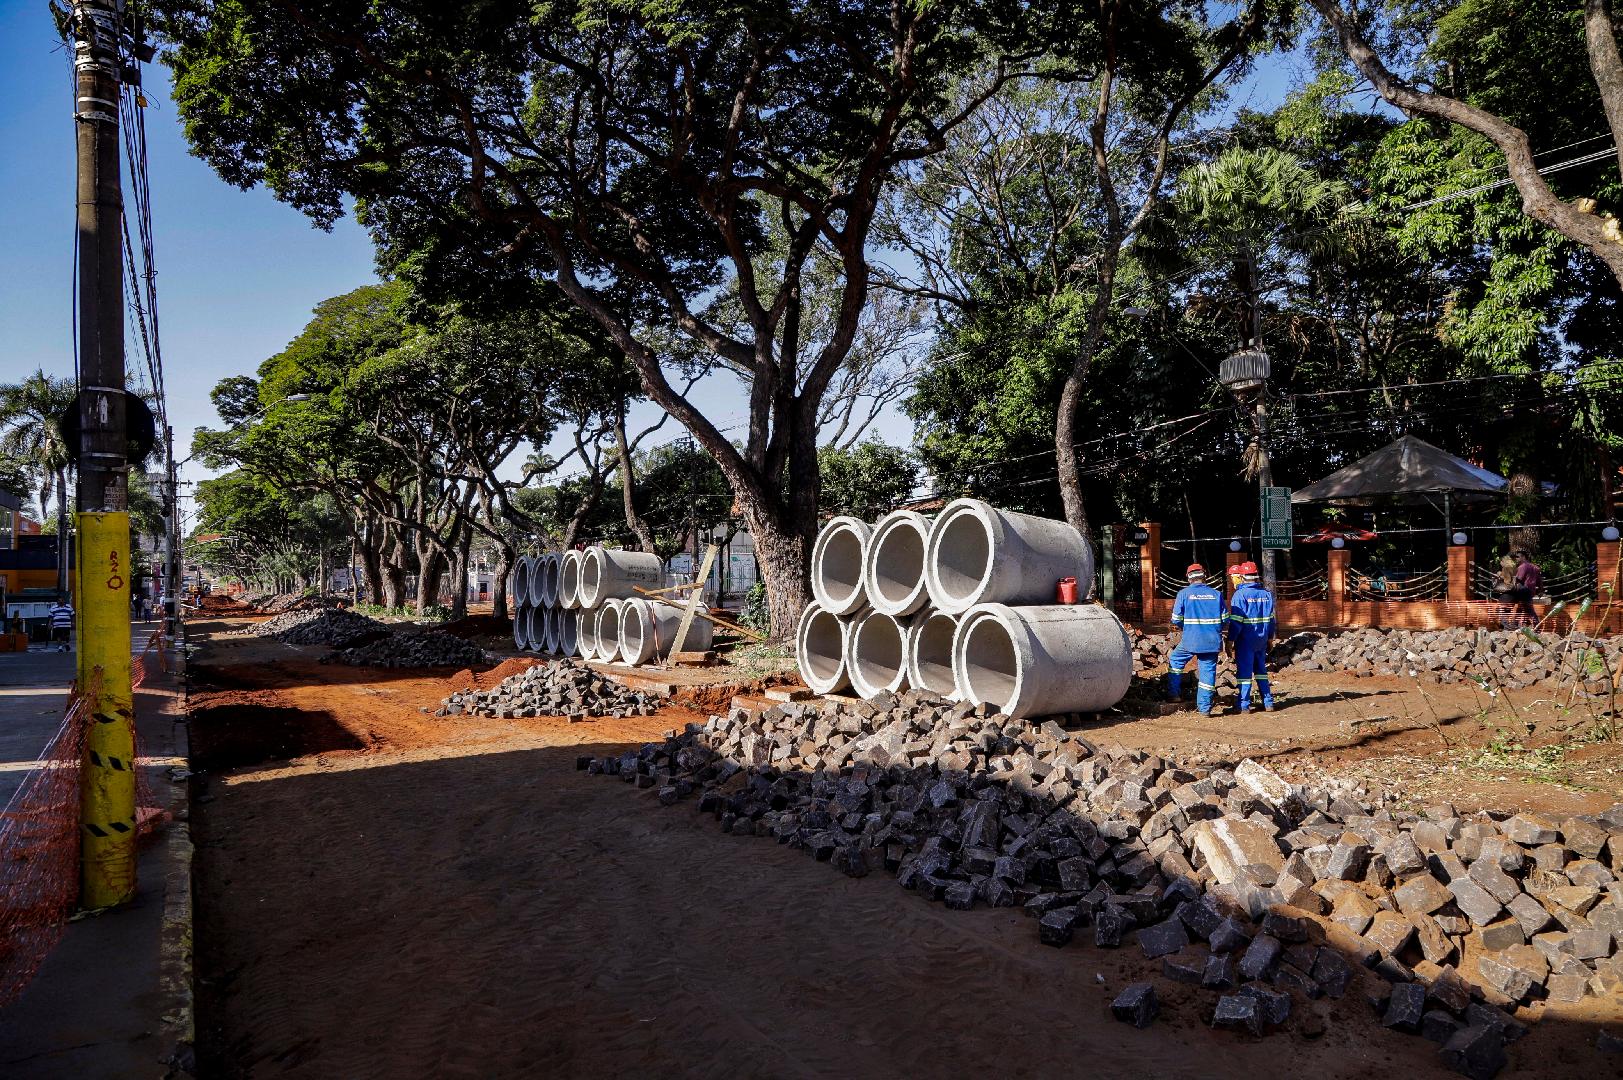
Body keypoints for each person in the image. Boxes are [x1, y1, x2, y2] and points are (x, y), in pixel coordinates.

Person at [1167, 563, 1226, 715]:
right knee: (1207, 673)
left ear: (1188, 578)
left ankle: (1174, 695)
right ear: (1204, 576)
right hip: (1212, 641)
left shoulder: (1183, 594)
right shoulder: (1217, 594)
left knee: (1175, 660)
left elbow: (1176, 619)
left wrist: (1186, 627)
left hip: (1190, 639)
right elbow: (1225, 619)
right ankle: (1205, 709)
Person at [1226, 562, 1276, 713]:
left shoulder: (1240, 595)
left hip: (1245, 641)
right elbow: (1271, 620)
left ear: (1242, 577)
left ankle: (1243, 705)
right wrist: (1270, 639)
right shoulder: (1267, 595)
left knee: (1244, 674)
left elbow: (1236, 622)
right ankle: (1268, 703)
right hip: (1261, 640)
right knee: (1261, 671)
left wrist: (1230, 640)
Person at [1513, 551, 1542, 623]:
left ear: (1523, 557)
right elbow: (1539, 581)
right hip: (1531, 591)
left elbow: (1518, 580)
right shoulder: (1535, 567)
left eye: (1518, 557)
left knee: (1529, 610)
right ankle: (1515, 624)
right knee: (1521, 608)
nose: (1516, 559)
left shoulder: (1522, 566)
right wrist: (1541, 591)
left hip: (1524, 591)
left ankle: (1537, 625)